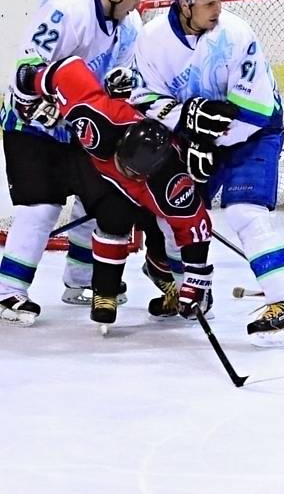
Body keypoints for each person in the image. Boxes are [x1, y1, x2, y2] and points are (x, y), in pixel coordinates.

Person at [130, 0, 284, 348]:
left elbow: (255, 110)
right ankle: (191, 289)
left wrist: (208, 143)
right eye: (209, 3)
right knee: (173, 208)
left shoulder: (236, 34)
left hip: (253, 133)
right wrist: (186, 125)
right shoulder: (152, 38)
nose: (218, 9)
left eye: (219, 0)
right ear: (184, 2)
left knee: (244, 212)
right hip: (194, 139)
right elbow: (144, 98)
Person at [0, 0, 153, 324]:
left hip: (80, 128)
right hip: (31, 126)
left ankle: (81, 280)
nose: (137, 4)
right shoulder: (66, 11)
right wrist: (38, 103)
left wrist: (121, 89)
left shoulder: (129, 26)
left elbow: (118, 82)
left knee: (101, 197)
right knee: (42, 208)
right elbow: (27, 71)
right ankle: (8, 293)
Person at [16, 56, 214, 325]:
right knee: (113, 214)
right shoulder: (99, 120)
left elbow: (195, 228)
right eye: (123, 163)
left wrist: (195, 281)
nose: (125, 172)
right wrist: (30, 85)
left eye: (132, 172)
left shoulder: (168, 181)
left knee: (165, 230)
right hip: (95, 172)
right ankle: (104, 292)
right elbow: (66, 71)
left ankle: (176, 286)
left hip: (152, 188)